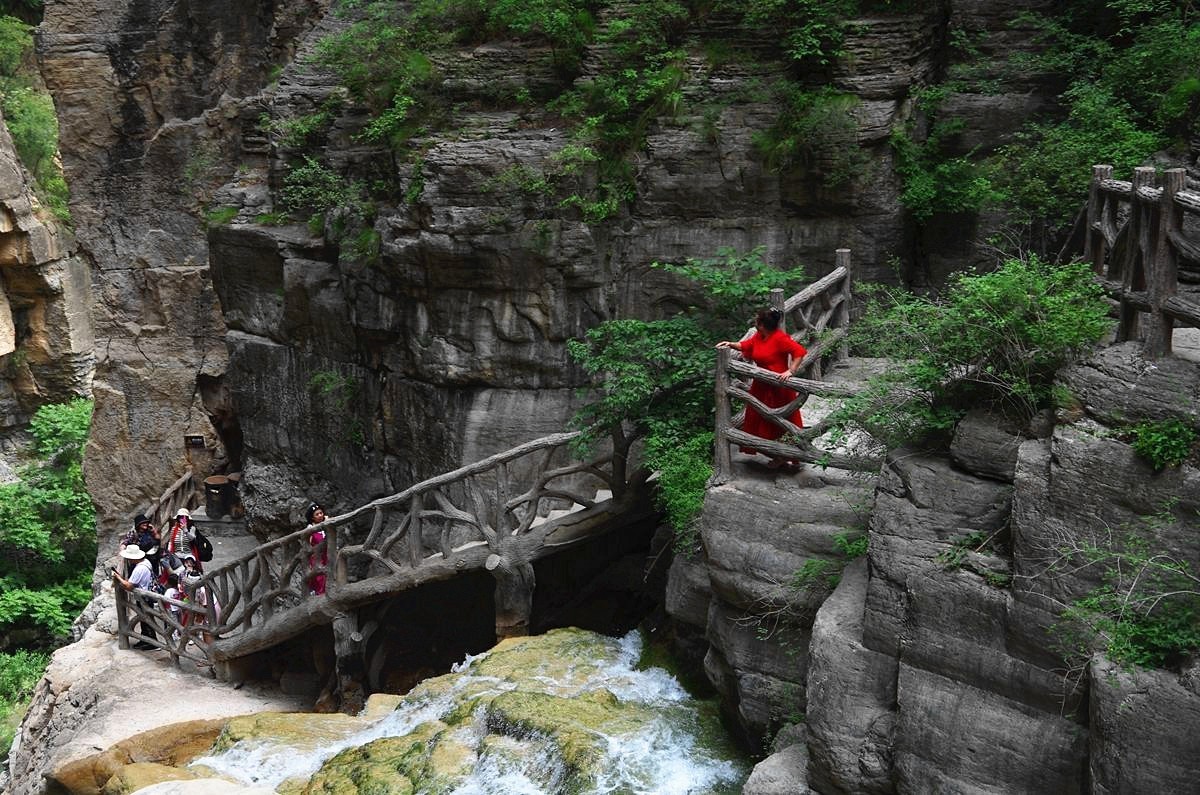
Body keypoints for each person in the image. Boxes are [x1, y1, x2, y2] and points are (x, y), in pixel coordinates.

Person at [716, 307, 808, 469]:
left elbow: (799, 352)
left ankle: (789, 453)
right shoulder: (759, 336)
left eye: (757, 319)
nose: (755, 321)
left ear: (762, 324)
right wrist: (730, 344)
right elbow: (746, 345)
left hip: (778, 387)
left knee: (781, 422)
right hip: (761, 386)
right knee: (759, 420)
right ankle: (775, 454)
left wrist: (790, 371)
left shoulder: (780, 338)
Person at [112, 544, 159, 650]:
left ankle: (153, 643)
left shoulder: (139, 569)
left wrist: (118, 578)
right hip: (147, 595)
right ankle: (145, 639)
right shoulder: (146, 562)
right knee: (144, 619)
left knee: (147, 620)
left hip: (144, 598)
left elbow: (128, 586)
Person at [305, 502, 328, 596]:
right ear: (312, 517)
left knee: (327, 574)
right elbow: (307, 544)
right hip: (316, 556)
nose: (320, 515)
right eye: (317, 514)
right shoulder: (311, 528)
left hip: (326, 555)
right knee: (319, 576)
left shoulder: (326, 524)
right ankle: (319, 594)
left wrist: (327, 521)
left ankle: (326, 592)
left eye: (321, 513)